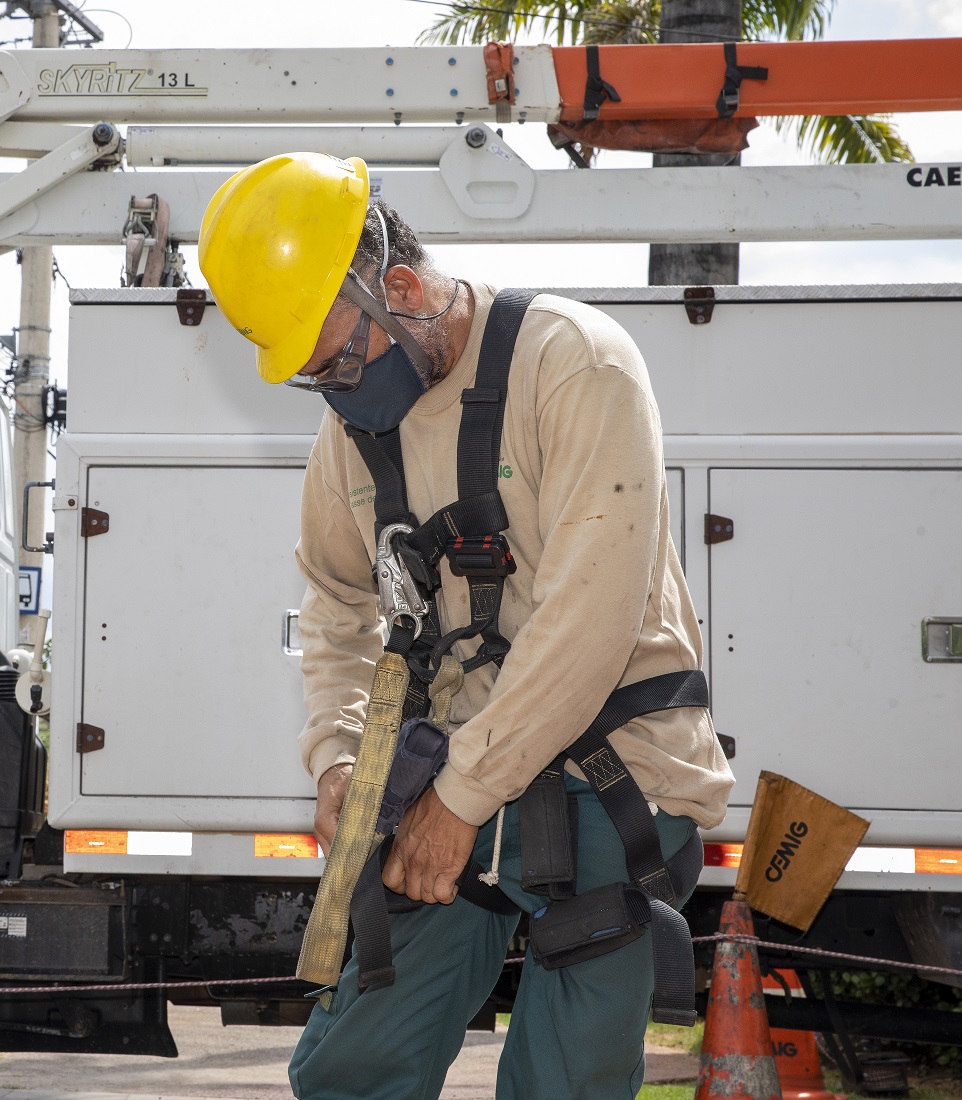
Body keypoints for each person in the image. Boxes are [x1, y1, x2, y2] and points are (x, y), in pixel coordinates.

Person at [197, 152, 734, 1100]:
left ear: (397, 287)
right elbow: (336, 599)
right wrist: (336, 753)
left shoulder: (576, 362)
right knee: (351, 1068)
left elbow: (590, 619)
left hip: (613, 774)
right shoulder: (353, 434)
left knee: (560, 1084)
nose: (335, 390)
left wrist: (459, 801)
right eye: (311, 377)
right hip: (454, 774)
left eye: (340, 359)